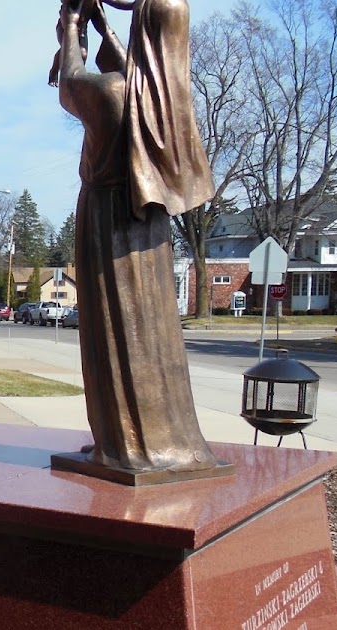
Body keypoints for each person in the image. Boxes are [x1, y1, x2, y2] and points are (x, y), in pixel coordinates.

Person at [54, 0, 221, 475]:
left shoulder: (111, 93)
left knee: (116, 329)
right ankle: (169, 437)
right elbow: (128, 67)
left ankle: (123, 443)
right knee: (152, 331)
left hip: (109, 223)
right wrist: (105, 27)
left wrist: (72, 24)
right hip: (148, 226)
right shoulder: (163, 108)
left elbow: (71, 85)